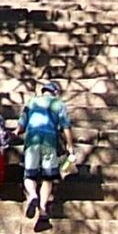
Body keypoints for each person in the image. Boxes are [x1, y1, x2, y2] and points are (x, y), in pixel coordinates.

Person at [18, 77, 73, 226]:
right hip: (50, 141)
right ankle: (42, 209)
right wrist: (70, 145)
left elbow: (20, 126)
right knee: (48, 178)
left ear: (42, 92)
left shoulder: (30, 103)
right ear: (55, 93)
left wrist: (13, 134)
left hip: (32, 141)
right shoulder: (58, 104)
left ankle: (32, 195)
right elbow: (65, 126)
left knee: (29, 174)